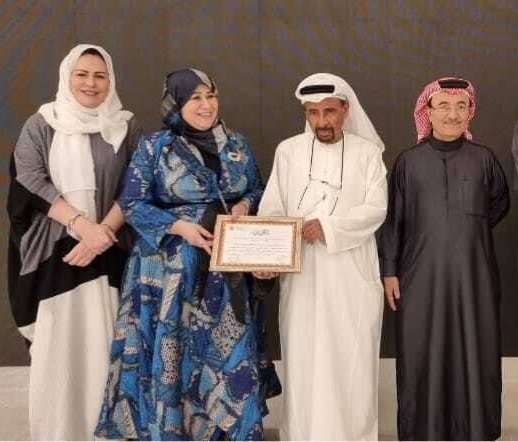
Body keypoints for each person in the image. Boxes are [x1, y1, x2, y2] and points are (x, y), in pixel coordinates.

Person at [95, 68, 281, 441]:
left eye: (211, 95)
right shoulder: (155, 146)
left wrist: (244, 206)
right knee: (175, 357)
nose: (206, 104)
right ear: (176, 103)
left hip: (226, 274)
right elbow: (132, 204)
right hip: (170, 275)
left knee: (228, 360)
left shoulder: (236, 143)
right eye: (195, 97)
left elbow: (260, 188)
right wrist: (180, 227)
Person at [6, 44, 143, 440]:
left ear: (110, 81)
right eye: (82, 74)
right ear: (67, 77)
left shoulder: (126, 126)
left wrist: (102, 234)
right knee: (60, 351)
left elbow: (138, 183)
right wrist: (83, 227)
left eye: (100, 75)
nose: (91, 83)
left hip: (110, 251)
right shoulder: (41, 124)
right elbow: (29, 178)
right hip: (56, 252)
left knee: (106, 346)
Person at [256, 73, 387, 440]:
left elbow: (376, 209)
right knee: (304, 358)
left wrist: (328, 227)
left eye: (329, 112)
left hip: (352, 275)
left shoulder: (368, 154)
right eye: (313, 113)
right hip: (302, 277)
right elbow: (272, 209)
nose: (322, 122)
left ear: (345, 110)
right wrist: (267, 257)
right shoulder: (288, 151)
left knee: (351, 359)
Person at [379, 77, 509, 440]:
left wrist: (468, 233)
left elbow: (499, 203)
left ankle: (475, 430)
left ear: (470, 112)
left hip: (475, 276)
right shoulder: (408, 163)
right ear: (428, 112)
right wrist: (390, 271)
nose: (453, 115)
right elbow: (394, 221)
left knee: (477, 349)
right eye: (444, 106)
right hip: (420, 277)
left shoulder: (483, 159)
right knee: (422, 350)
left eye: (460, 107)